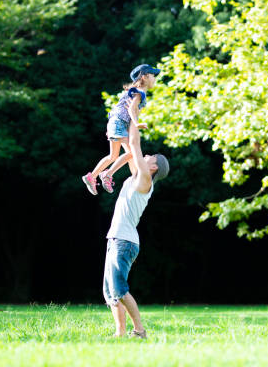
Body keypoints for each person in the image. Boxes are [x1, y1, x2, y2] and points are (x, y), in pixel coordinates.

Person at [102, 118, 169, 339]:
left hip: (125, 241)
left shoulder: (145, 182)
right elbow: (129, 148)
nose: (146, 156)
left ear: (154, 167)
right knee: (111, 292)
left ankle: (139, 331)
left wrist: (132, 114)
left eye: (150, 157)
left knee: (119, 288)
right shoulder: (136, 177)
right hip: (116, 239)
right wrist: (125, 127)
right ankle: (120, 332)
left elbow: (136, 147)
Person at [82, 64, 160, 195]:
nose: (155, 78)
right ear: (145, 77)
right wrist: (137, 123)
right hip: (119, 123)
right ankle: (107, 174)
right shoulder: (139, 93)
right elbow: (131, 109)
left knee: (113, 155)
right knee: (131, 153)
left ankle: (92, 176)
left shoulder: (135, 91)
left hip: (116, 122)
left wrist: (112, 125)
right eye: (153, 75)